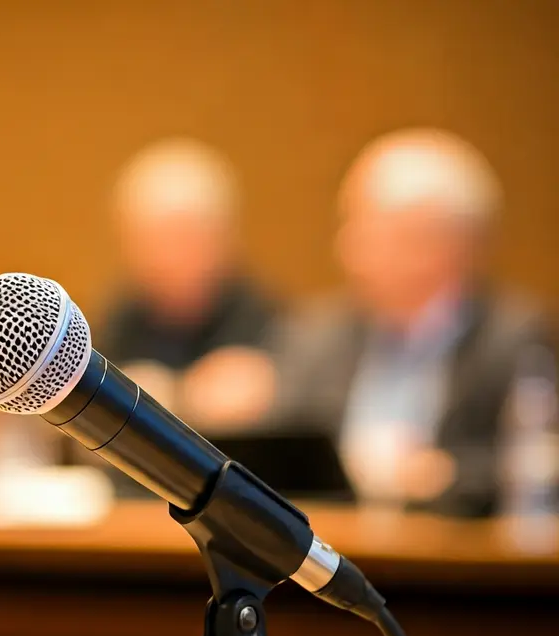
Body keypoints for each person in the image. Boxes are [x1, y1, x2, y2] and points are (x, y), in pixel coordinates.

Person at [272, 128, 556, 517]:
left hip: (456, 566)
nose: (346, 247)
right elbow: (281, 461)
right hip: (323, 554)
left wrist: (446, 476)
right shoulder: (317, 335)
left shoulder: (515, 340)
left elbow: (534, 469)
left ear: (441, 245)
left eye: (367, 229)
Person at [100, 138, 277, 431]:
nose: (163, 257)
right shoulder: (118, 321)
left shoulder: (271, 323)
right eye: (146, 241)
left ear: (223, 237)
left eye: (181, 238)